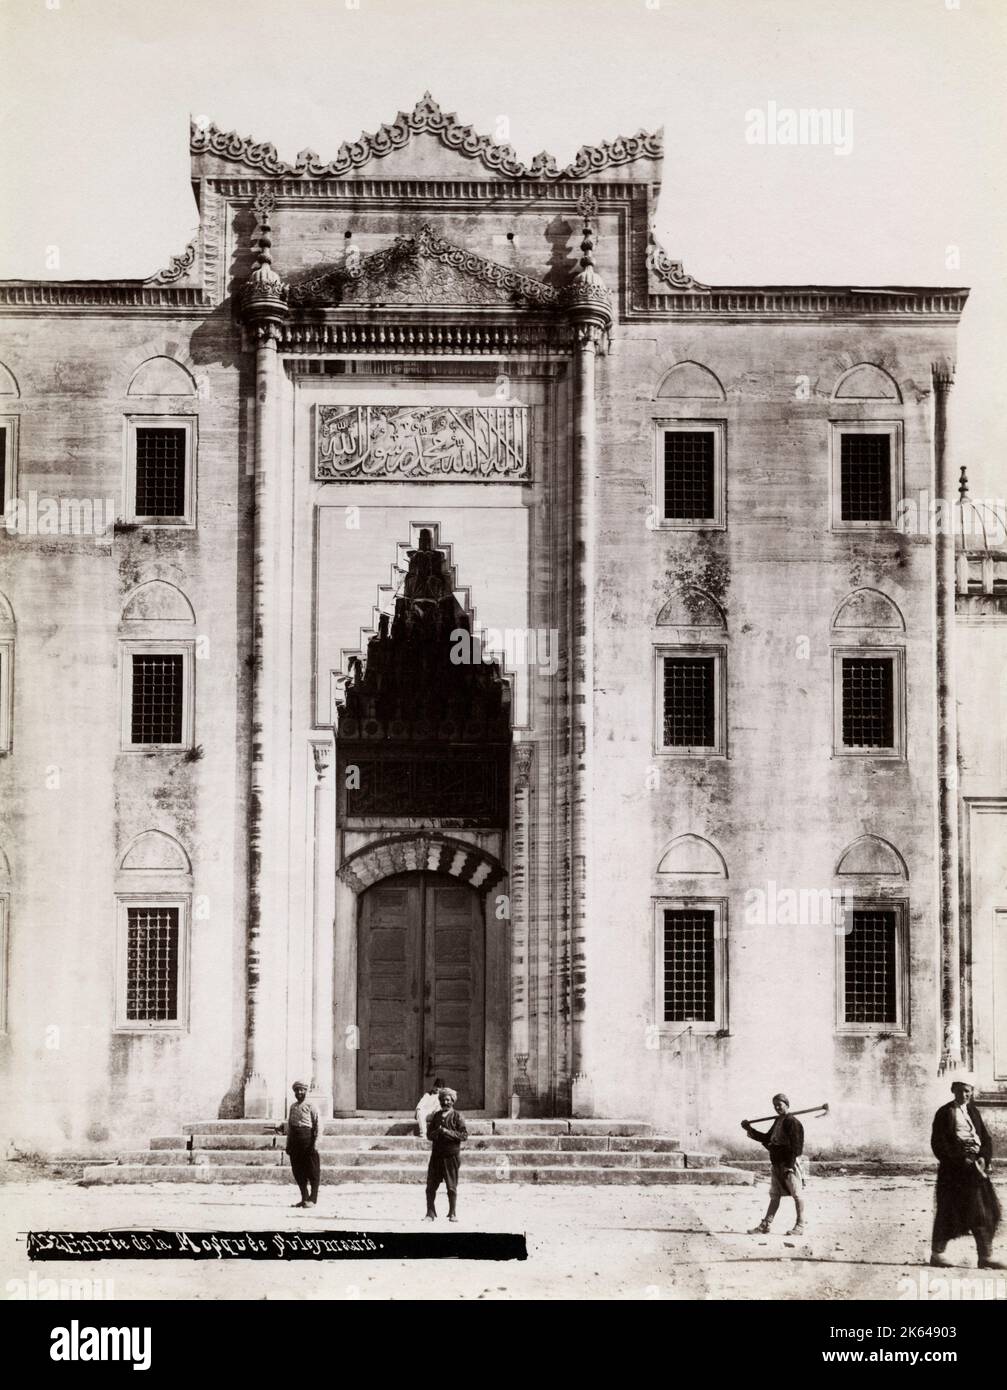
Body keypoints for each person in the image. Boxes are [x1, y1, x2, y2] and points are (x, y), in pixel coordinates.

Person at [929, 1078, 1004, 1269]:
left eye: (968, 1091)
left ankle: (985, 1256)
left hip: (975, 1171)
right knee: (949, 1211)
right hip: (954, 1173)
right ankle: (937, 1254)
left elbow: (985, 1139)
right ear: (953, 1091)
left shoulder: (973, 1111)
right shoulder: (945, 1113)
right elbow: (939, 1144)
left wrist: (983, 1159)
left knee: (985, 1211)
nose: (965, 1095)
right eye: (961, 1091)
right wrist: (961, 1161)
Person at [742, 1092, 806, 1235]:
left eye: (780, 1105)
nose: (777, 1107)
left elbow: (797, 1147)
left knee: (797, 1194)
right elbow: (767, 1138)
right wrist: (749, 1130)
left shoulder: (792, 1122)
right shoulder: (779, 1121)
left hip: (789, 1165)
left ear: (787, 1105)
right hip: (777, 1163)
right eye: (775, 1105)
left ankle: (800, 1226)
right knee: (775, 1195)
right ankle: (766, 1225)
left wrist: (789, 1167)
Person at [424, 1087, 468, 1223]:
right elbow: (428, 1135)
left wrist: (447, 1132)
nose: (445, 1102)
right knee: (430, 1186)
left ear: (452, 1101)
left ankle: (452, 1213)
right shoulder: (436, 1116)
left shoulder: (457, 1116)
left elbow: (464, 1135)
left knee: (451, 1187)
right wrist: (437, 1132)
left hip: (451, 1157)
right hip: (436, 1156)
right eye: (443, 1099)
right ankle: (430, 1213)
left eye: (448, 1100)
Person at [278, 1081, 320, 1209]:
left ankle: (313, 1199)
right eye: (297, 1090)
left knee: (312, 1170)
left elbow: (318, 1125)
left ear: (306, 1091)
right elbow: (290, 1127)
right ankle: (304, 1197)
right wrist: (288, 1143)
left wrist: (316, 1143)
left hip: (308, 1141)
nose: (299, 1093)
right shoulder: (293, 1107)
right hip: (295, 1142)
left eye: (301, 1090)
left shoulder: (311, 1106)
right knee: (298, 1171)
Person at [415, 1077, 446, 1141]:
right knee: (420, 1112)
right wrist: (418, 1109)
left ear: (442, 1088)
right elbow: (421, 1104)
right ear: (433, 1087)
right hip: (428, 1115)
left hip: (437, 1115)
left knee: (440, 1111)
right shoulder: (428, 1095)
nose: (437, 1088)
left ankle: (437, 1133)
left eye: (439, 1087)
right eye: (436, 1086)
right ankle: (423, 1133)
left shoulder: (443, 1096)